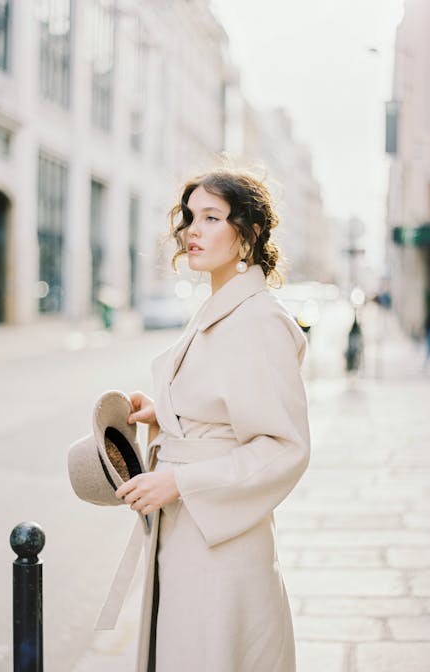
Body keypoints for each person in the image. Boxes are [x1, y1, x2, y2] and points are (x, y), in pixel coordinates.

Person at [116, 169, 311, 672]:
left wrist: (180, 481)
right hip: (196, 533)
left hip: (219, 543)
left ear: (246, 233)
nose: (192, 231)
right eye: (189, 218)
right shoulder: (220, 306)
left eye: (211, 218)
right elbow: (227, 404)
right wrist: (168, 413)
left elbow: (283, 446)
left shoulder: (259, 320)